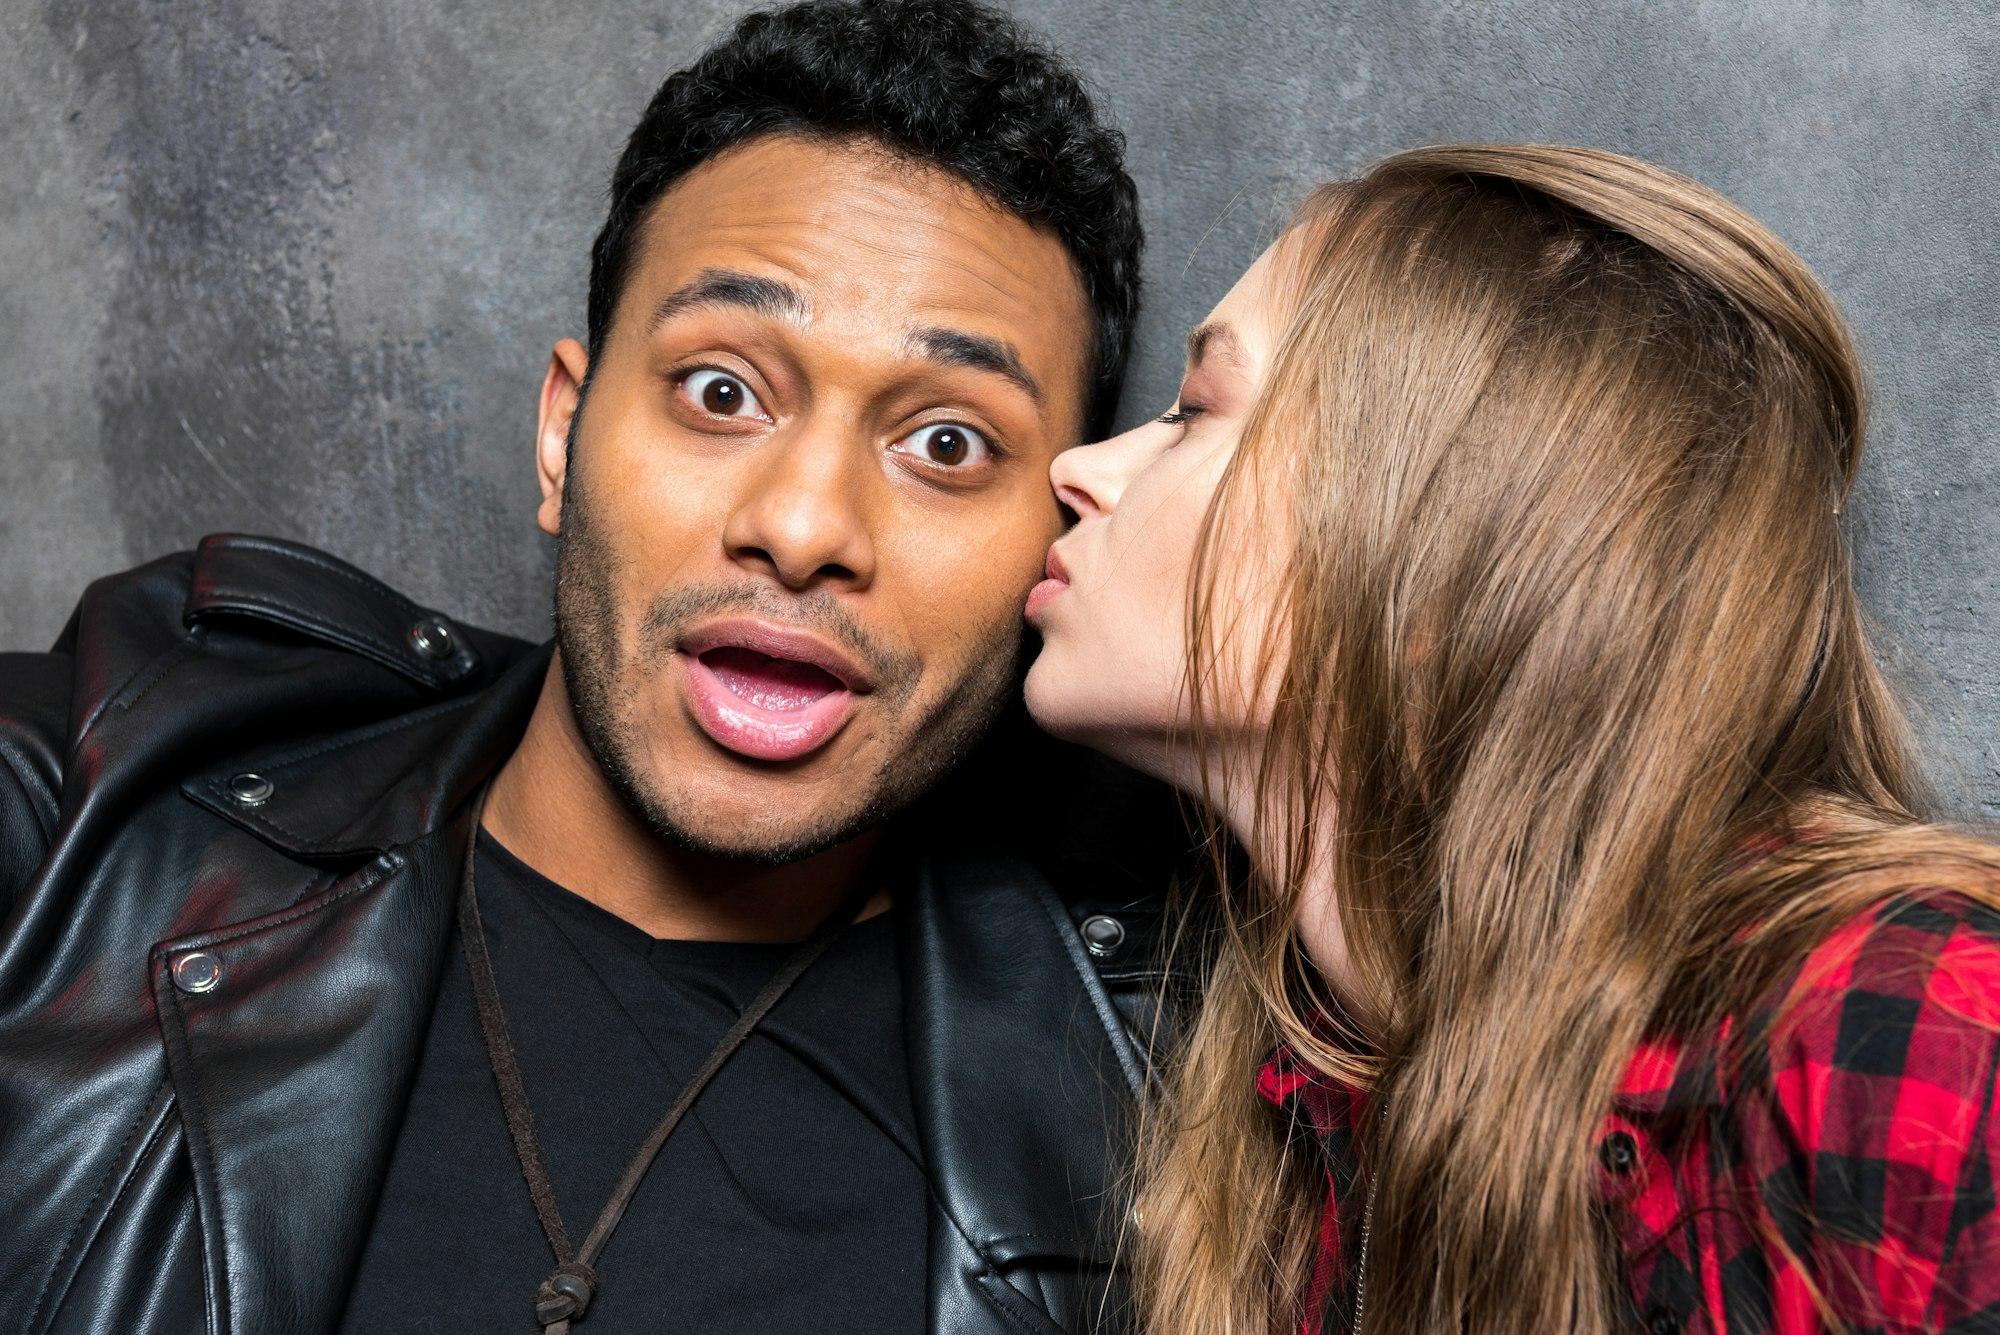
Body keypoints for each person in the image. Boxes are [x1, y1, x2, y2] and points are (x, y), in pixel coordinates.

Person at [0, 3, 1169, 1331]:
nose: (802, 526)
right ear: (564, 434)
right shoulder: (99, 806)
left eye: (948, 444)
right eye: (723, 391)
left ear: (1060, 538)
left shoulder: (1161, 1121)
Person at [1023, 144, 2000, 1334]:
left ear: (1445, 551)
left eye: (1196, 413)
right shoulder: (1296, 1123)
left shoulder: (1913, 1028)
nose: (1077, 469)